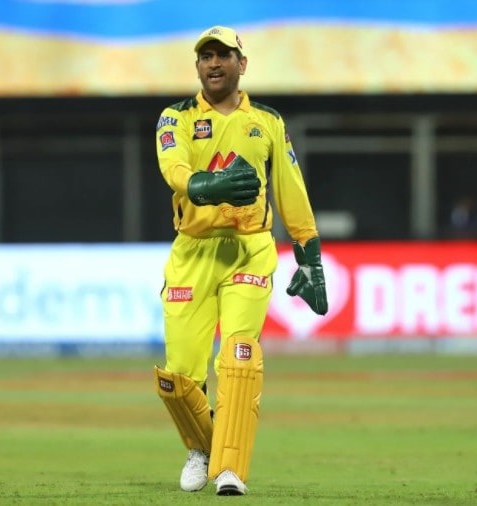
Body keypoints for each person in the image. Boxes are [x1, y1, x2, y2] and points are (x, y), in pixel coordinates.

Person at [153, 25, 328, 496]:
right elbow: (173, 168)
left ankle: (231, 468)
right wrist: (204, 186)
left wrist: (308, 252)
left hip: (249, 247)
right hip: (193, 250)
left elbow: (290, 188)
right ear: (197, 66)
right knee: (179, 375)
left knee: (238, 357)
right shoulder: (176, 117)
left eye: (223, 55)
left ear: (241, 64)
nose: (214, 63)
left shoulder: (267, 121)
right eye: (206, 56)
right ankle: (201, 447)